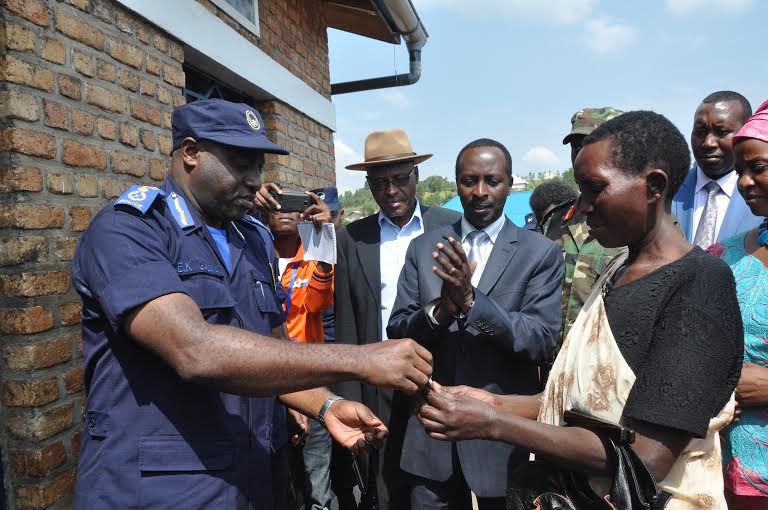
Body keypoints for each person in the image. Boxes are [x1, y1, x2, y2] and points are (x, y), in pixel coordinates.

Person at [71, 99, 433, 509]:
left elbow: (277, 351)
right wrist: (362, 360)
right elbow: (195, 350)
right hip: (161, 488)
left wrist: (326, 405)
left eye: (259, 166)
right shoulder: (129, 230)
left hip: (253, 476)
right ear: (190, 153)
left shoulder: (252, 239)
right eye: (241, 164)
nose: (255, 180)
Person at [416, 111, 744, 509]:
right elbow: (581, 405)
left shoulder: (699, 284)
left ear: (654, 186)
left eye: (595, 189)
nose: (583, 206)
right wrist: (494, 404)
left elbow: (645, 459)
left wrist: (494, 424)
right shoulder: (616, 271)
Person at [387, 138, 564, 509]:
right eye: (469, 181)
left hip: (502, 443)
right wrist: (442, 310)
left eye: (492, 181)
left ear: (510, 183)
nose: (480, 191)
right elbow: (398, 331)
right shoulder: (424, 248)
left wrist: (471, 302)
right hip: (431, 439)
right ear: (457, 184)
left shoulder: (540, 253)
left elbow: (540, 340)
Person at [334, 128, 461, 510]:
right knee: (388, 488)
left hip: (443, 378)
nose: (391, 191)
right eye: (379, 183)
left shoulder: (452, 226)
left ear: (416, 175)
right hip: (382, 381)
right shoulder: (352, 238)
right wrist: (350, 396)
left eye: (400, 179)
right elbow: (347, 323)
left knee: (445, 489)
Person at [708, 99, 768, 509]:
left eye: (758, 168)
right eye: (740, 170)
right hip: (721, 470)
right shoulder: (722, 256)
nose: (744, 182)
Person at [543, 107, 625, 355]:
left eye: (593, 144)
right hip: (554, 365)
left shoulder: (642, 222)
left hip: (608, 366)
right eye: (576, 145)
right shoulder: (555, 220)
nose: (581, 153)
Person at [673, 91, 761, 248]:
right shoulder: (668, 190)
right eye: (700, 132)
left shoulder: (762, 194)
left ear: (745, 133)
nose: (708, 143)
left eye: (721, 132)